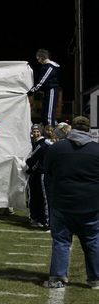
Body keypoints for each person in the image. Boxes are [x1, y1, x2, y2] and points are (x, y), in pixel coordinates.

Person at [43, 116, 99, 289]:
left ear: (72, 128)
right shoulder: (96, 150)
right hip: (91, 204)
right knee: (92, 240)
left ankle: (58, 277)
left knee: (61, 240)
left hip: (62, 201)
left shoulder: (57, 148)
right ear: (88, 129)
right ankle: (95, 278)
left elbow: (47, 172)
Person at [25, 124, 50, 228]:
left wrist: (30, 169)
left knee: (42, 198)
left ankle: (45, 221)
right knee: (34, 197)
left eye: (37, 131)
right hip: (36, 174)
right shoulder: (34, 143)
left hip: (40, 174)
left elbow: (31, 160)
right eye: (34, 131)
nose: (35, 133)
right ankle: (37, 218)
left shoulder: (42, 144)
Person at [28, 49, 60, 128]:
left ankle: (50, 135)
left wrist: (33, 90)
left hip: (51, 90)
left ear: (42, 57)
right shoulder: (47, 67)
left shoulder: (50, 67)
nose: (38, 61)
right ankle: (47, 131)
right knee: (44, 114)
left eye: (38, 59)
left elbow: (43, 80)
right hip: (47, 91)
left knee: (49, 114)